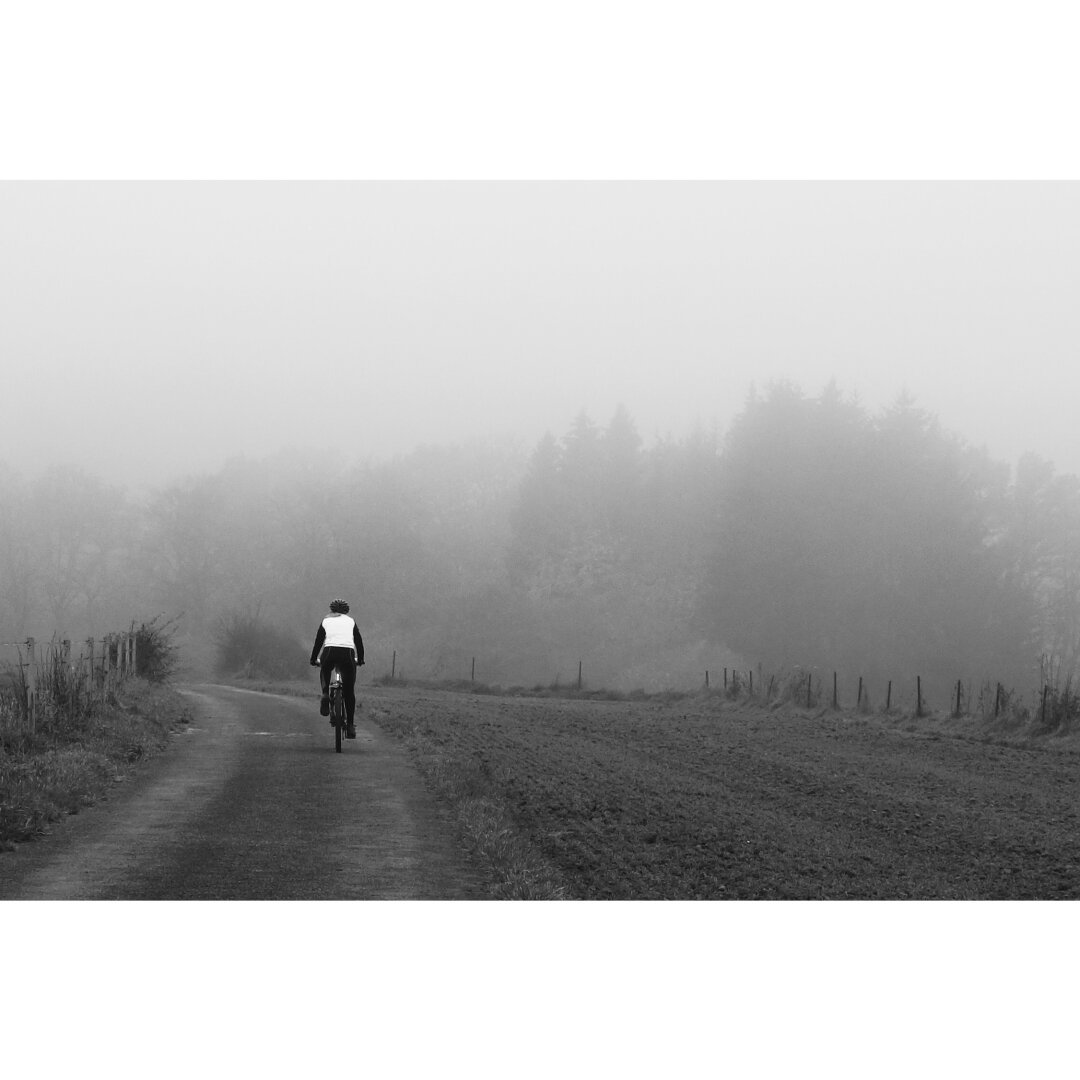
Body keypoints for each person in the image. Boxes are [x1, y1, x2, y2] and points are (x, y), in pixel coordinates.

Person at [309, 598, 365, 738]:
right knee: (349, 691)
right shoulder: (351, 621)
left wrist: (313, 658)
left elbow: (318, 640)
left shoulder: (326, 621)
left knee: (325, 668)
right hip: (347, 654)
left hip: (329, 652)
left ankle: (325, 694)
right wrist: (361, 659)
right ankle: (351, 725)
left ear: (331, 610)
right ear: (346, 611)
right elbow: (358, 640)